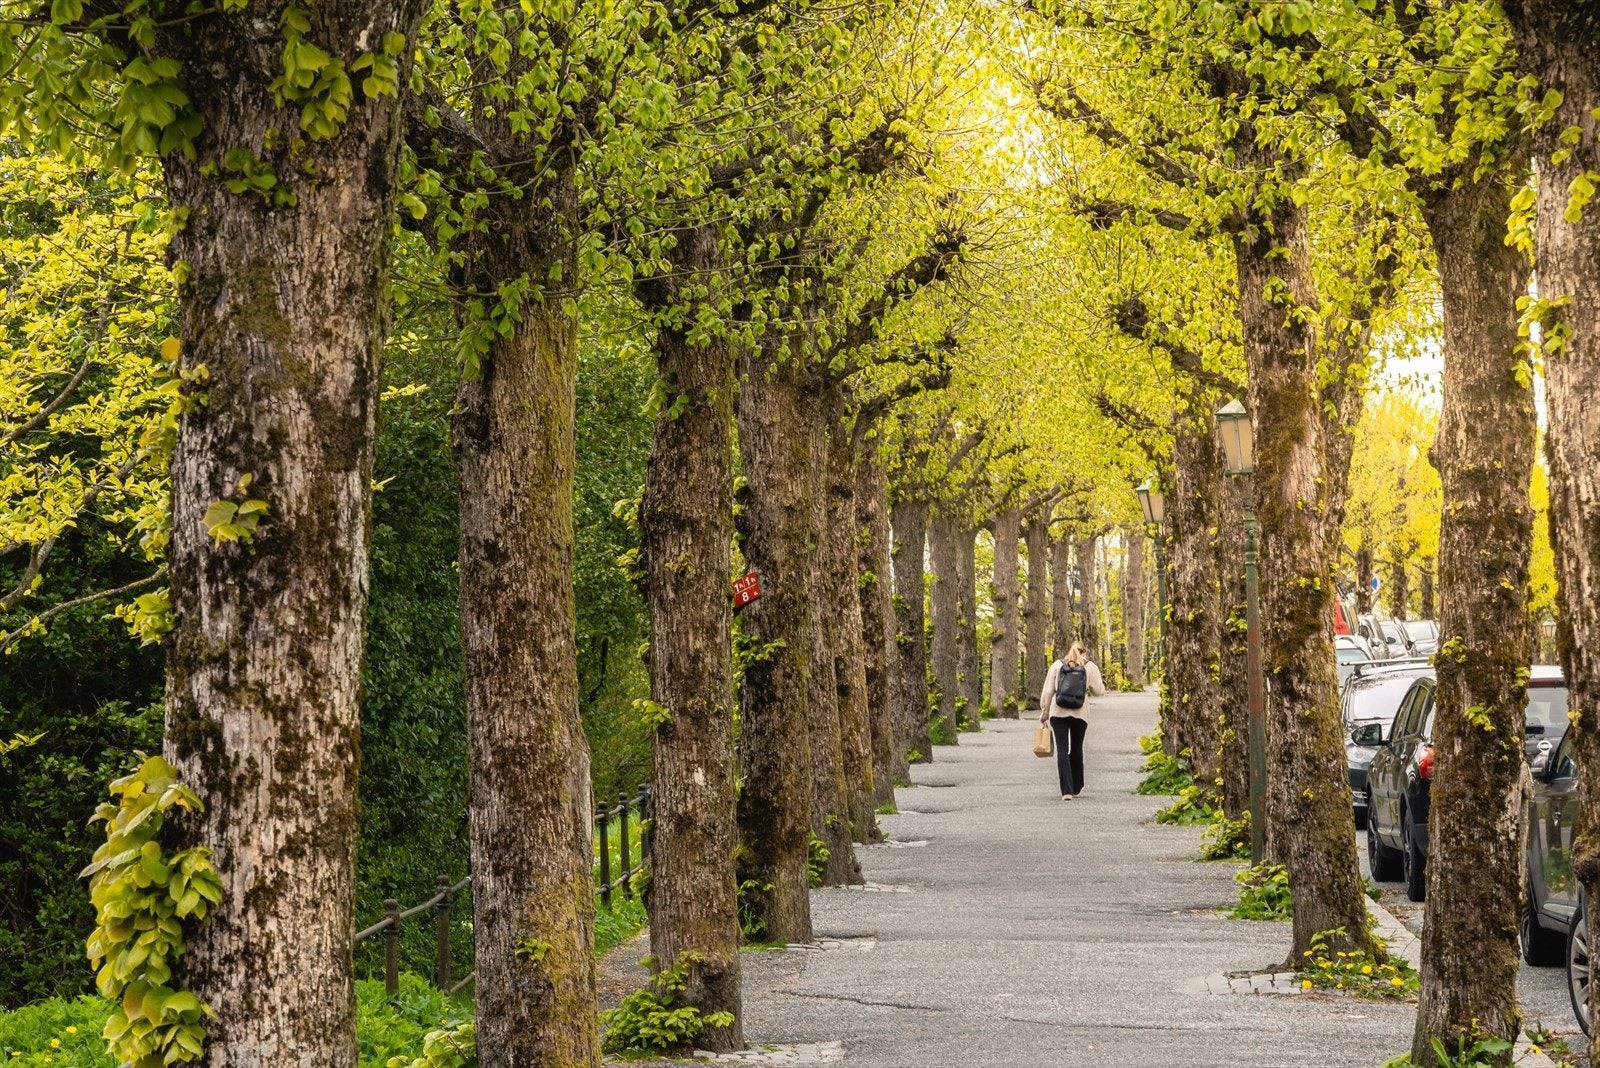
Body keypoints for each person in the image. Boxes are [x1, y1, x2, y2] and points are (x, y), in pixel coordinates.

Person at [1038, 641, 1105, 799]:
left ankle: (1066, 791)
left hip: (1058, 712)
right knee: (1076, 747)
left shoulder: (1057, 665)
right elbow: (1099, 691)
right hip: (1080, 713)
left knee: (1062, 749)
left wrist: (1044, 712)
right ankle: (1076, 785)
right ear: (1084, 653)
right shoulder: (1090, 667)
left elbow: (1048, 691)